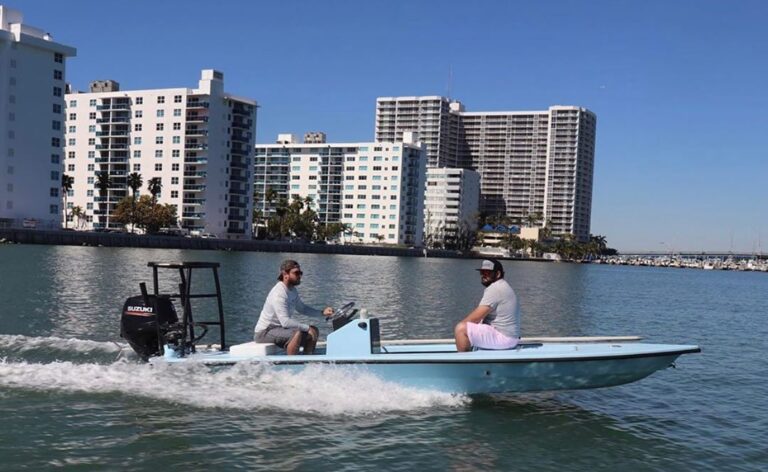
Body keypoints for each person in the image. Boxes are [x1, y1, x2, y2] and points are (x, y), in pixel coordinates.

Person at [254, 260, 334, 355]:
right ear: (285, 274)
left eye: (301, 273)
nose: (299, 276)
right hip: (264, 332)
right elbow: (285, 322)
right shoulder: (279, 294)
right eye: (296, 273)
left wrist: (322, 313)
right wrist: (307, 328)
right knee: (297, 333)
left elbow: (302, 309)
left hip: (279, 330)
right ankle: (292, 364)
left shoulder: (292, 290)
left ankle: (309, 360)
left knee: (314, 330)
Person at [454, 259, 521, 352]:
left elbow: (473, 319)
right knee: (472, 326)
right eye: (482, 272)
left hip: (504, 338)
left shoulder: (495, 289)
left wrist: (459, 336)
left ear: (498, 274)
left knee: (461, 329)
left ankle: (464, 364)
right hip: (510, 337)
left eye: (488, 272)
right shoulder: (502, 286)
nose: (483, 275)